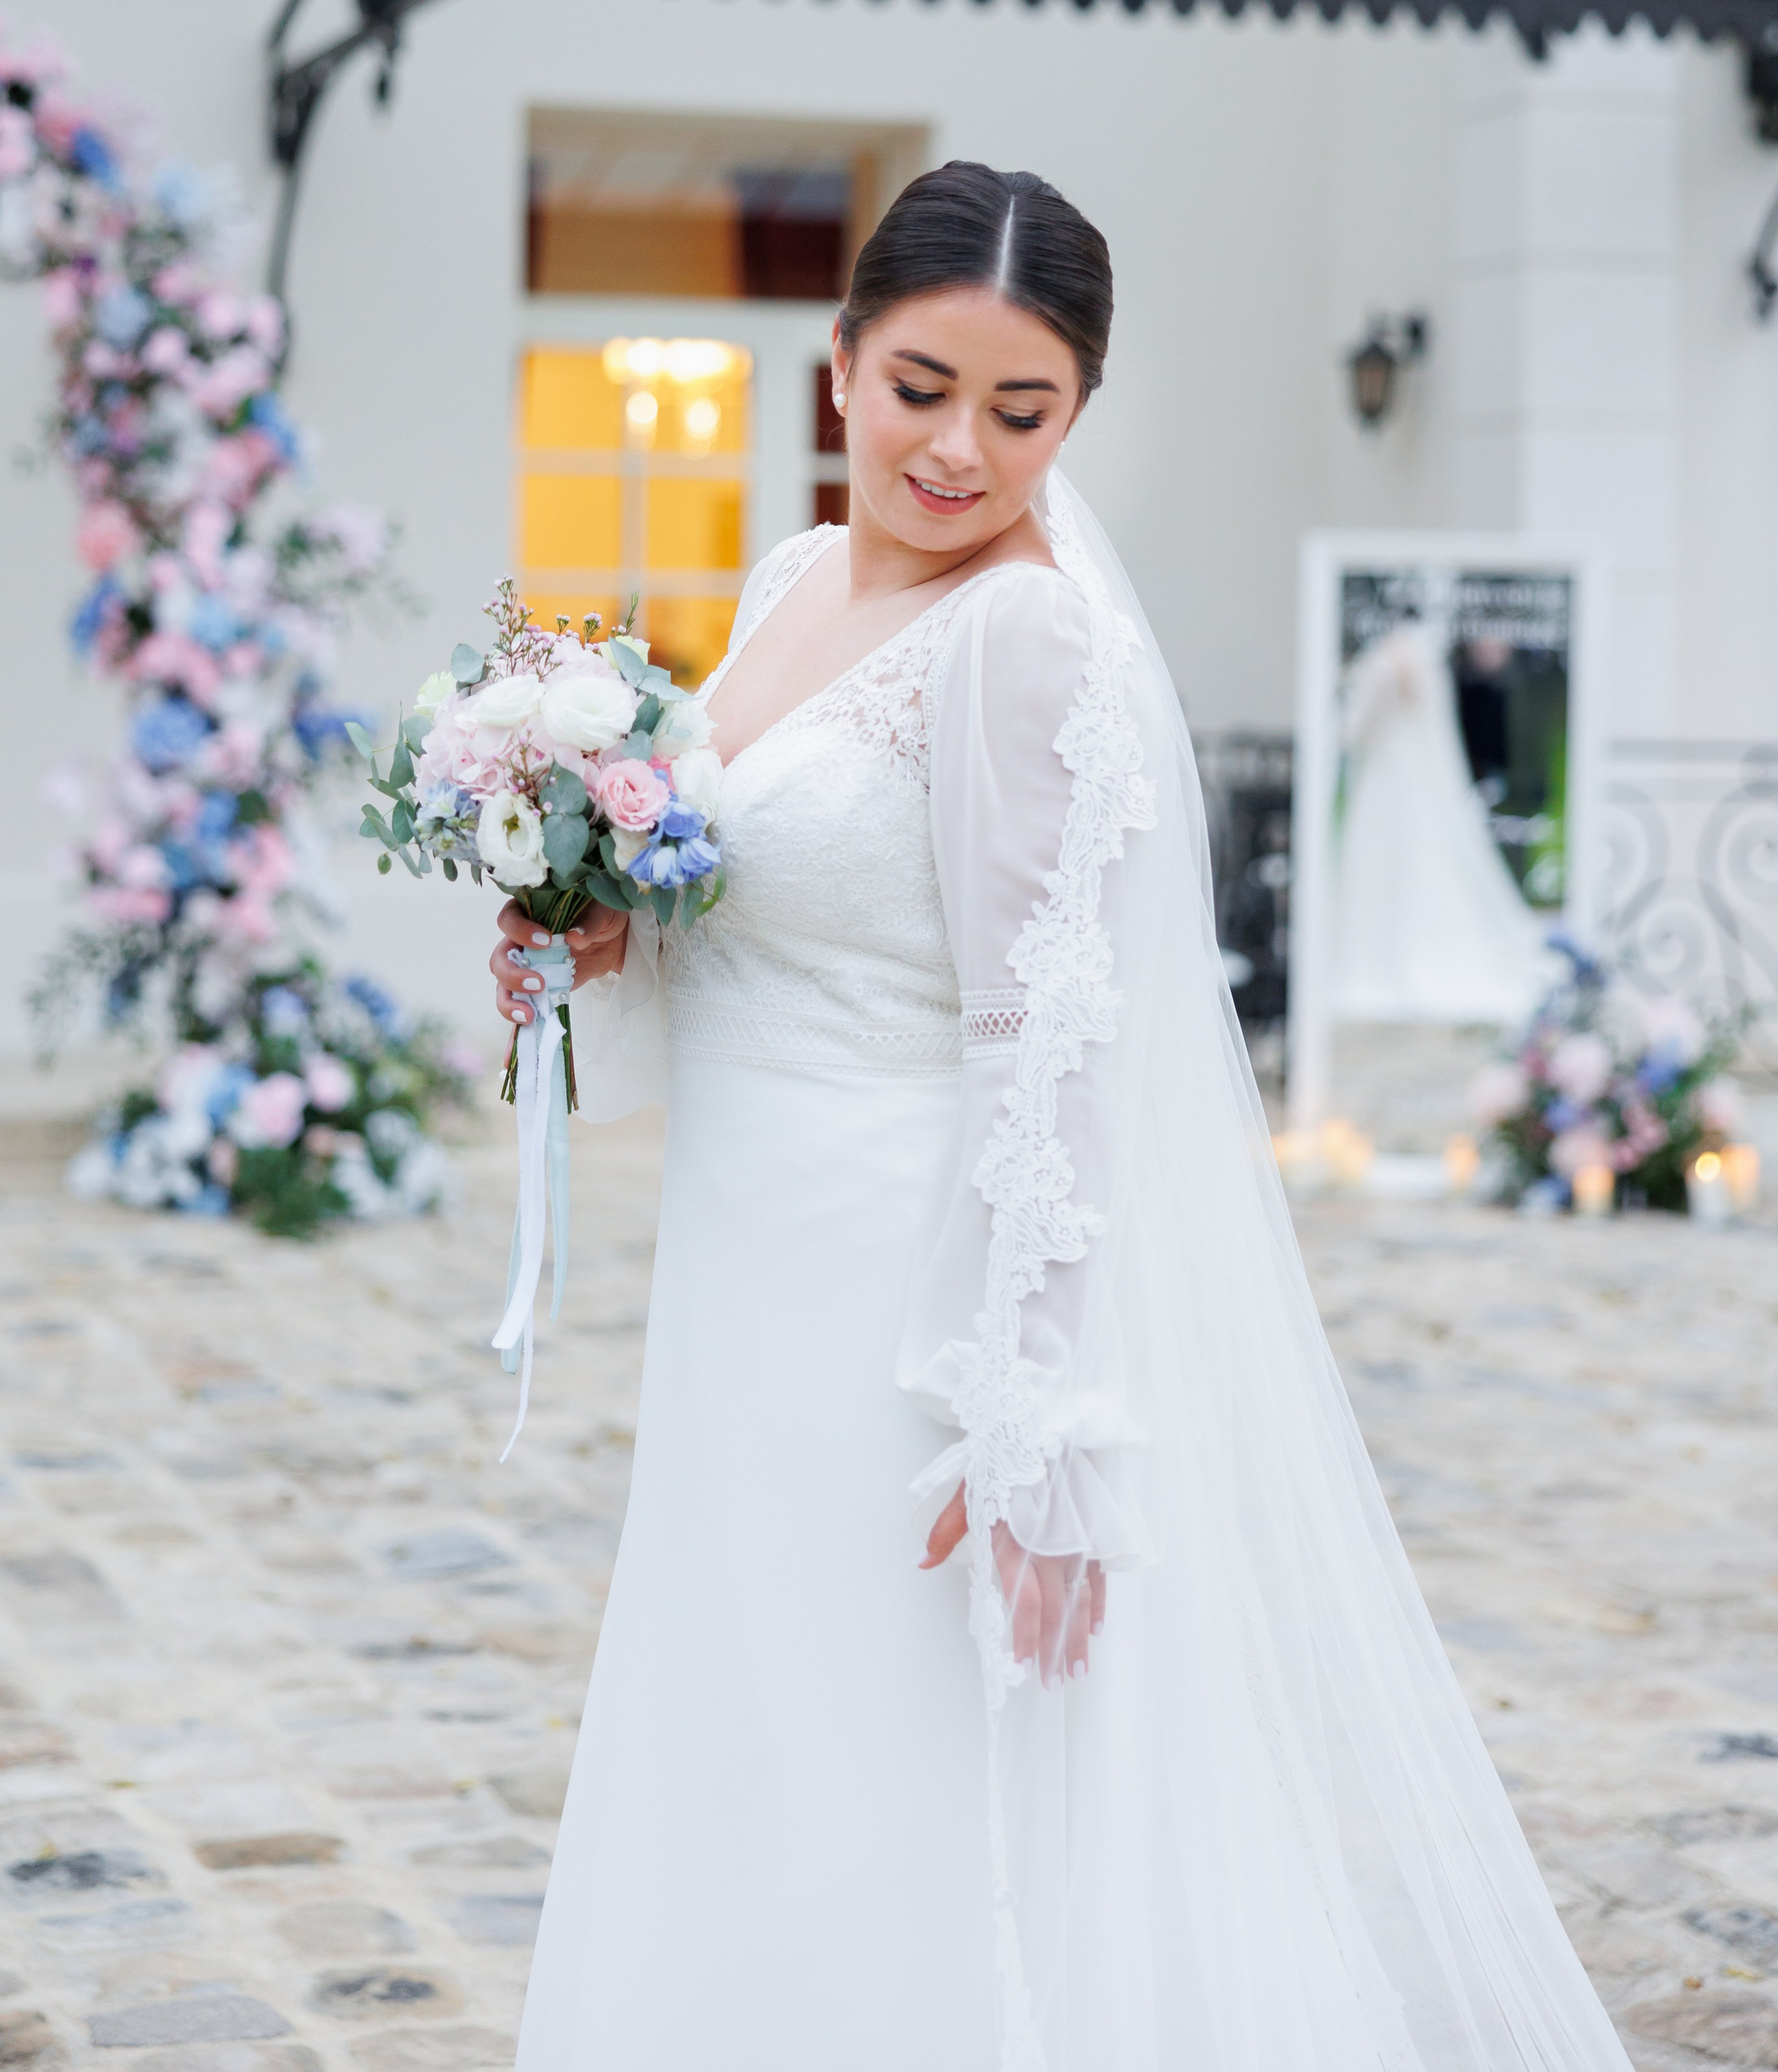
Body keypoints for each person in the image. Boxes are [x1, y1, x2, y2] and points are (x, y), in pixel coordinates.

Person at [490, 164, 1631, 2072]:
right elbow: (759, 898)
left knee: (892, 1742)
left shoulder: (1026, 645)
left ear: (1076, 416)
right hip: (746, 1271)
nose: (959, 451)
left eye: (1023, 413)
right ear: (844, 364)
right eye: (924, 387)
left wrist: (1038, 1426)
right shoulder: (793, 577)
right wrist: (594, 924)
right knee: (751, 1695)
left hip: (895, 1293)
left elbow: (1057, 1040)